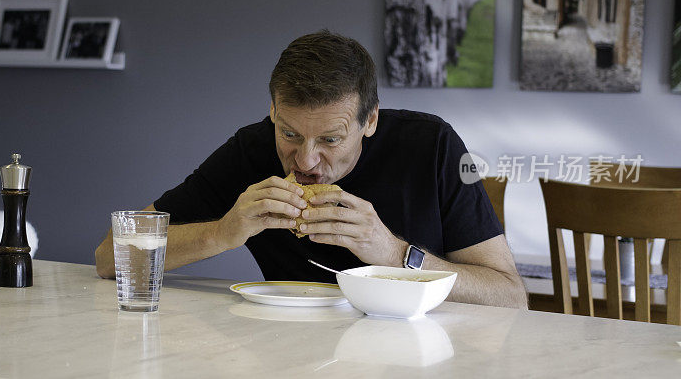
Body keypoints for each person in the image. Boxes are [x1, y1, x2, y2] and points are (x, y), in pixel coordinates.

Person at [95, 30, 528, 309]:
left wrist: (394, 255)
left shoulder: (432, 145)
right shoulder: (250, 149)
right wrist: (221, 232)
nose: (305, 161)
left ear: (370, 120)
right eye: (289, 133)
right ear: (272, 112)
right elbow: (110, 256)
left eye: (330, 140)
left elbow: (510, 298)